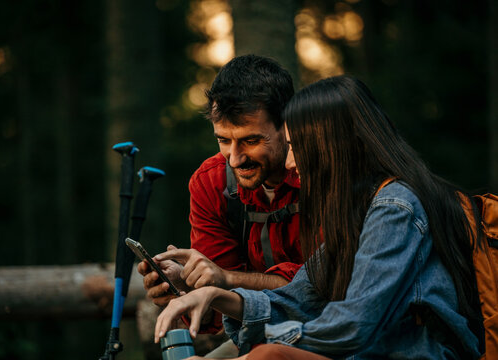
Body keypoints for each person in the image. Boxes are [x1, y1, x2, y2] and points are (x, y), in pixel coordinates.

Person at [154, 75, 483, 359]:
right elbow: (297, 298)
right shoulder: (361, 211)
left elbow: (352, 325)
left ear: (330, 148)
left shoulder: (394, 208)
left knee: (269, 354)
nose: (289, 163)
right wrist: (217, 295)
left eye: (296, 146)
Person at [138, 55, 303, 342]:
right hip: (259, 336)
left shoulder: (323, 174)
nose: (235, 159)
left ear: (287, 126)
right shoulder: (211, 183)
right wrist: (188, 288)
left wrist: (225, 279)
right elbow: (223, 308)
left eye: (251, 140)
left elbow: (322, 288)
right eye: (224, 140)